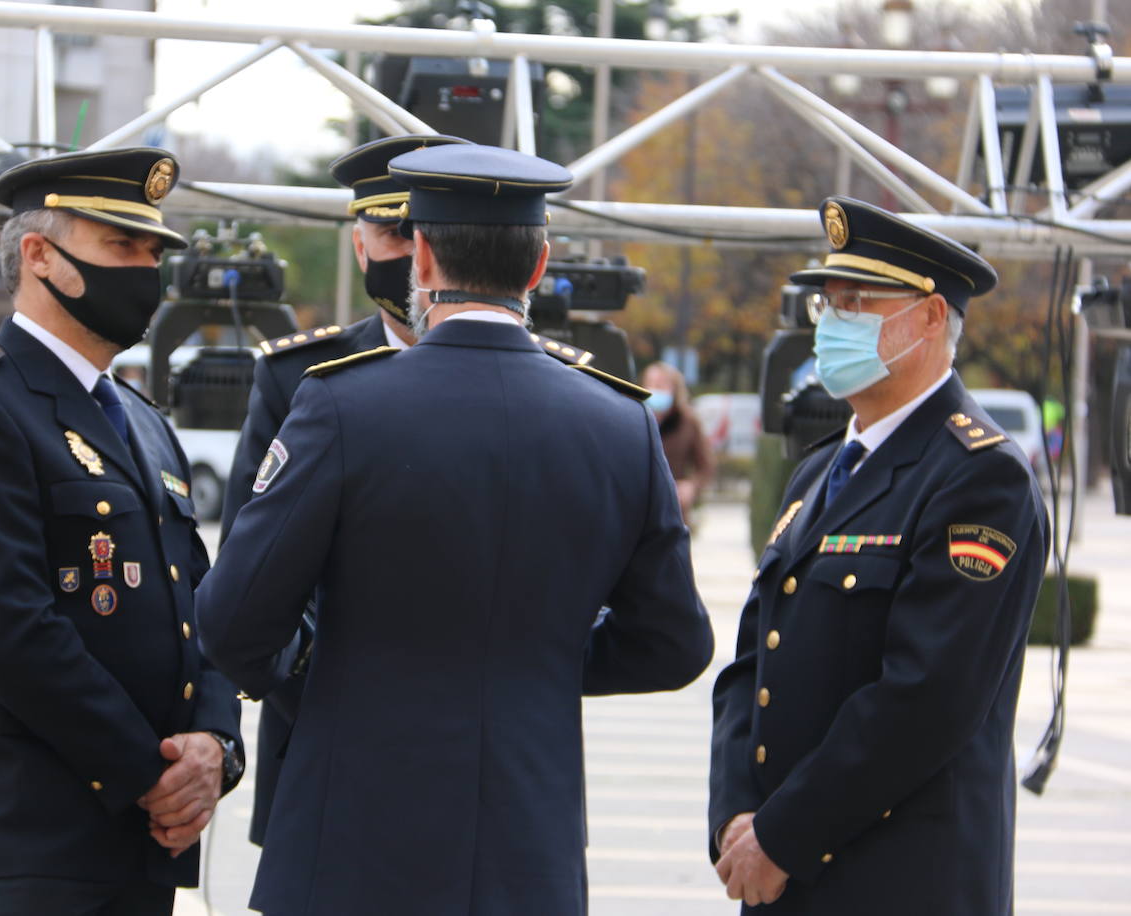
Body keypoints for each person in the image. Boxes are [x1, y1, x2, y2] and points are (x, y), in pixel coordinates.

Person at [198, 143, 714, 916]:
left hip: (351, 845)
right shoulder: (619, 424)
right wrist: (532, 657)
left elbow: (233, 623)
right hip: (527, 849)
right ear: (539, 267)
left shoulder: (340, 405)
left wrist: (326, 661)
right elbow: (675, 643)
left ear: (424, 256)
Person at [0, 147, 243, 915]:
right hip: (32, 834)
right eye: (122, 247)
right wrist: (148, 773)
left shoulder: (144, 421)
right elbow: (11, 630)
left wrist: (215, 745)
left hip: (146, 839)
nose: (145, 271)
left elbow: (202, 597)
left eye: (154, 252)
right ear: (38, 255)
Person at [708, 197, 1049, 914]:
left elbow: (926, 700)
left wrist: (784, 836)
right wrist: (737, 819)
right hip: (780, 869)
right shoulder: (821, 468)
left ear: (929, 318)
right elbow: (751, 661)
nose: (832, 323)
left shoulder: (979, 476)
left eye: (858, 303)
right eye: (827, 305)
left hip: (900, 879)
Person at [219, 132, 466, 847]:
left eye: (428, 232)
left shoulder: (545, 383)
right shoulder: (297, 379)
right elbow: (249, 577)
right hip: (321, 739)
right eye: (393, 233)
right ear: (360, 248)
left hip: (476, 755)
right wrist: (329, 693)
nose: (413, 254)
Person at [640, 361, 715, 518]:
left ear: (674, 390)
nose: (654, 390)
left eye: (661, 385)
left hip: (673, 510)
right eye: (651, 384)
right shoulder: (634, 416)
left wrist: (691, 486)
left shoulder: (688, 422)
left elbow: (705, 465)